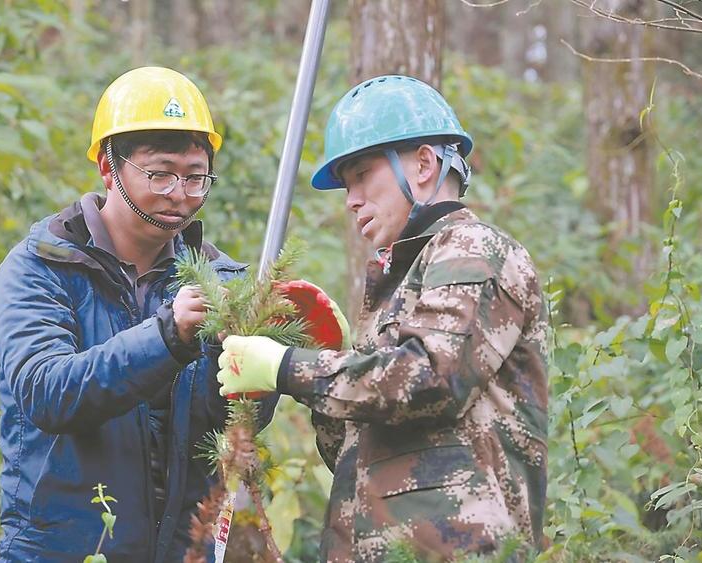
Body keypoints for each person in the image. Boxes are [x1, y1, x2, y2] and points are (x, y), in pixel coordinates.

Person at [216, 75, 549, 561]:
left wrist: (290, 366)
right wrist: (333, 355)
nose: (351, 199)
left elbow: (432, 381)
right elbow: (355, 455)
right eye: (346, 185)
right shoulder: (401, 285)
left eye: (362, 174)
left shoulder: (474, 250)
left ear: (422, 164)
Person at [0, 66, 274, 562]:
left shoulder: (220, 280)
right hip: (62, 551)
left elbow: (233, 423)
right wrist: (167, 336)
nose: (179, 193)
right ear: (108, 166)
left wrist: (269, 357)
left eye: (195, 176)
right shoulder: (40, 268)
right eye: (159, 173)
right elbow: (47, 393)